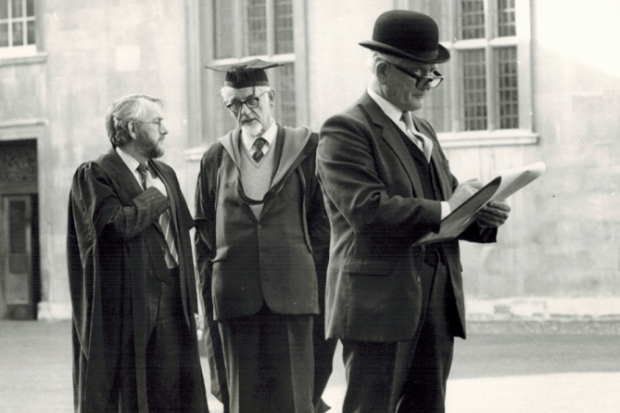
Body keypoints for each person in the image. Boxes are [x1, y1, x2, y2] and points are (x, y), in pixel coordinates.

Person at [316, 10, 511, 413]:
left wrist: (480, 213)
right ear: (383, 70)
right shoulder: (345, 129)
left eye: (433, 75)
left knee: (428, 407)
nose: (428, 86)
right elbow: (366, 211)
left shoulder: (423, 131)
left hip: (437, 300)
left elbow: (445, 200)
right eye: (419, 76)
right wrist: (451, 205)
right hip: (378, 305)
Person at [195, 59, 334, 413]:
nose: (244, 111)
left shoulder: (308, 149)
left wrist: (306, 276)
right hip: (236, 298)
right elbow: (205, 233)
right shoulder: (215, 157)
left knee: (295, 399)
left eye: (252, 100)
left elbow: (323, 228)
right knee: (244, 402)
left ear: (271, 96)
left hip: (293, 296)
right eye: (234, 104)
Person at [66, 94, 209, 412]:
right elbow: (116, 226)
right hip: (130, 312)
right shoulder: (96, 175)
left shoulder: (165, 173)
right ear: (131, 128)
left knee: (174, 396)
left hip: (174, 306)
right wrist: (154, 195)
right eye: (157, 122)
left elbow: (181, 242)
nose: (166, 130)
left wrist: (191, 302)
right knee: (133, 399)